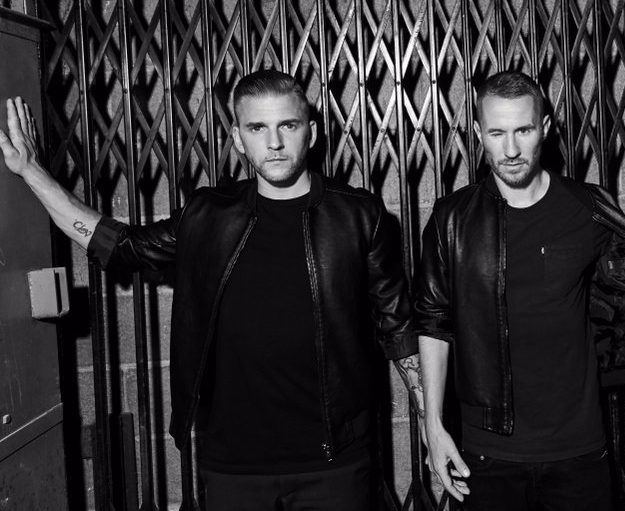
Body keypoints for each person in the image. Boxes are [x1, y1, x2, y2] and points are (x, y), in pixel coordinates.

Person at [0, 70, 424, 511]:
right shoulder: (208, 215)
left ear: (311, 132)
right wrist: (31, 172)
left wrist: (431, 424)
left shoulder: (358, 216)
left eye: (288, 125)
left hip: (335, 461)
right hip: (233, 465)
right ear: (238, 138)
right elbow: (121, 247)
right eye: (257, 128)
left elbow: (397, 327)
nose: (274, 143)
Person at [413, 71, 625, 511]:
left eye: (523, 130)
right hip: (486, 454)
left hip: (578, 451)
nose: (510, 150)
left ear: (545, 128)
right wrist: (433, 427)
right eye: (496, 133)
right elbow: (433, 324)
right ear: (478, 133)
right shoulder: (452, 219)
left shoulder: (587, 207)